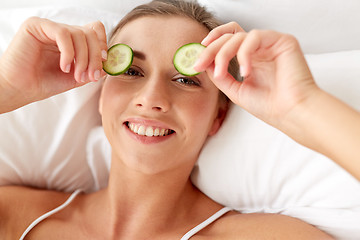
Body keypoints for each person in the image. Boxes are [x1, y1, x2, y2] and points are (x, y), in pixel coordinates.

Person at [0, 0, 357, 239]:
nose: (152, 99)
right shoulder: (14, 216)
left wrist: (303, 107)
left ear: (218, 116)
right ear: (101, 93)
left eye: (185, 80)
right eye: (133, 71)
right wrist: (8, 88)